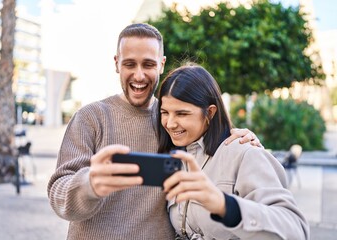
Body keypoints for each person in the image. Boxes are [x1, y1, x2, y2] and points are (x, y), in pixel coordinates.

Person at [47, 23, 261, 240]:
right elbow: (58, 194)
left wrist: (241, 137)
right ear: (116, 63)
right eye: (130, 64)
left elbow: (208, 137)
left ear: (161, 64)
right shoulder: (90, 117)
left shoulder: (172, 121)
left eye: (148, 64)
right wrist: (90, 184)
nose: (139, 76)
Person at [158, 63, 309, 239]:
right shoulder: (173, 155)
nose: (170, 123)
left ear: (210, 113)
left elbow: (295, 230)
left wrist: (225, 205)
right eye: (164, 112)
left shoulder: (244, 153)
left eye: (182, 114)